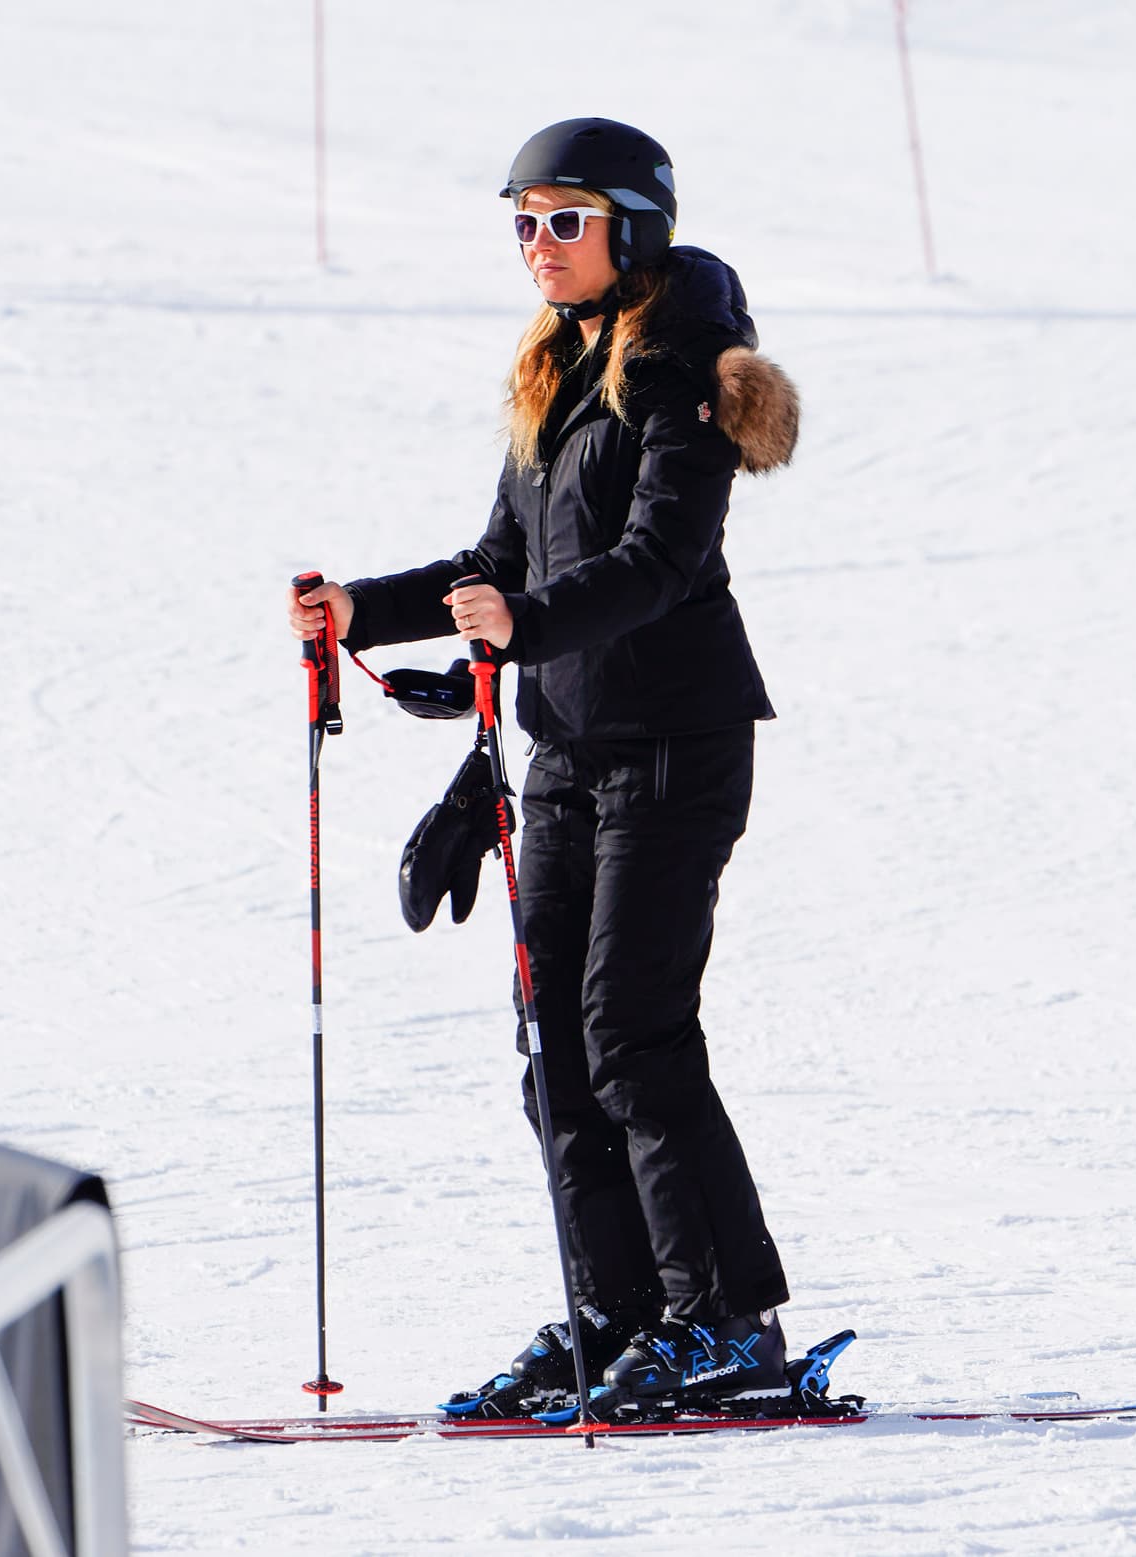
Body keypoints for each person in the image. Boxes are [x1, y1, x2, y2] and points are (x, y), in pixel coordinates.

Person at [288, 117, 801, 1413]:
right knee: (556, 1045)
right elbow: (498, 561)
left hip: (677, 742)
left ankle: (726, 1319)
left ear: (632, 225)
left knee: (633, 1027)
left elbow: (661, 559)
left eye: (563, 219)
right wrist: (361, 606)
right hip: (567, 746)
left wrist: (526, 628)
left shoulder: (685, 366)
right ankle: (618, 1310)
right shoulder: (554, 372)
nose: (537, 244)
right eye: (521, 219)